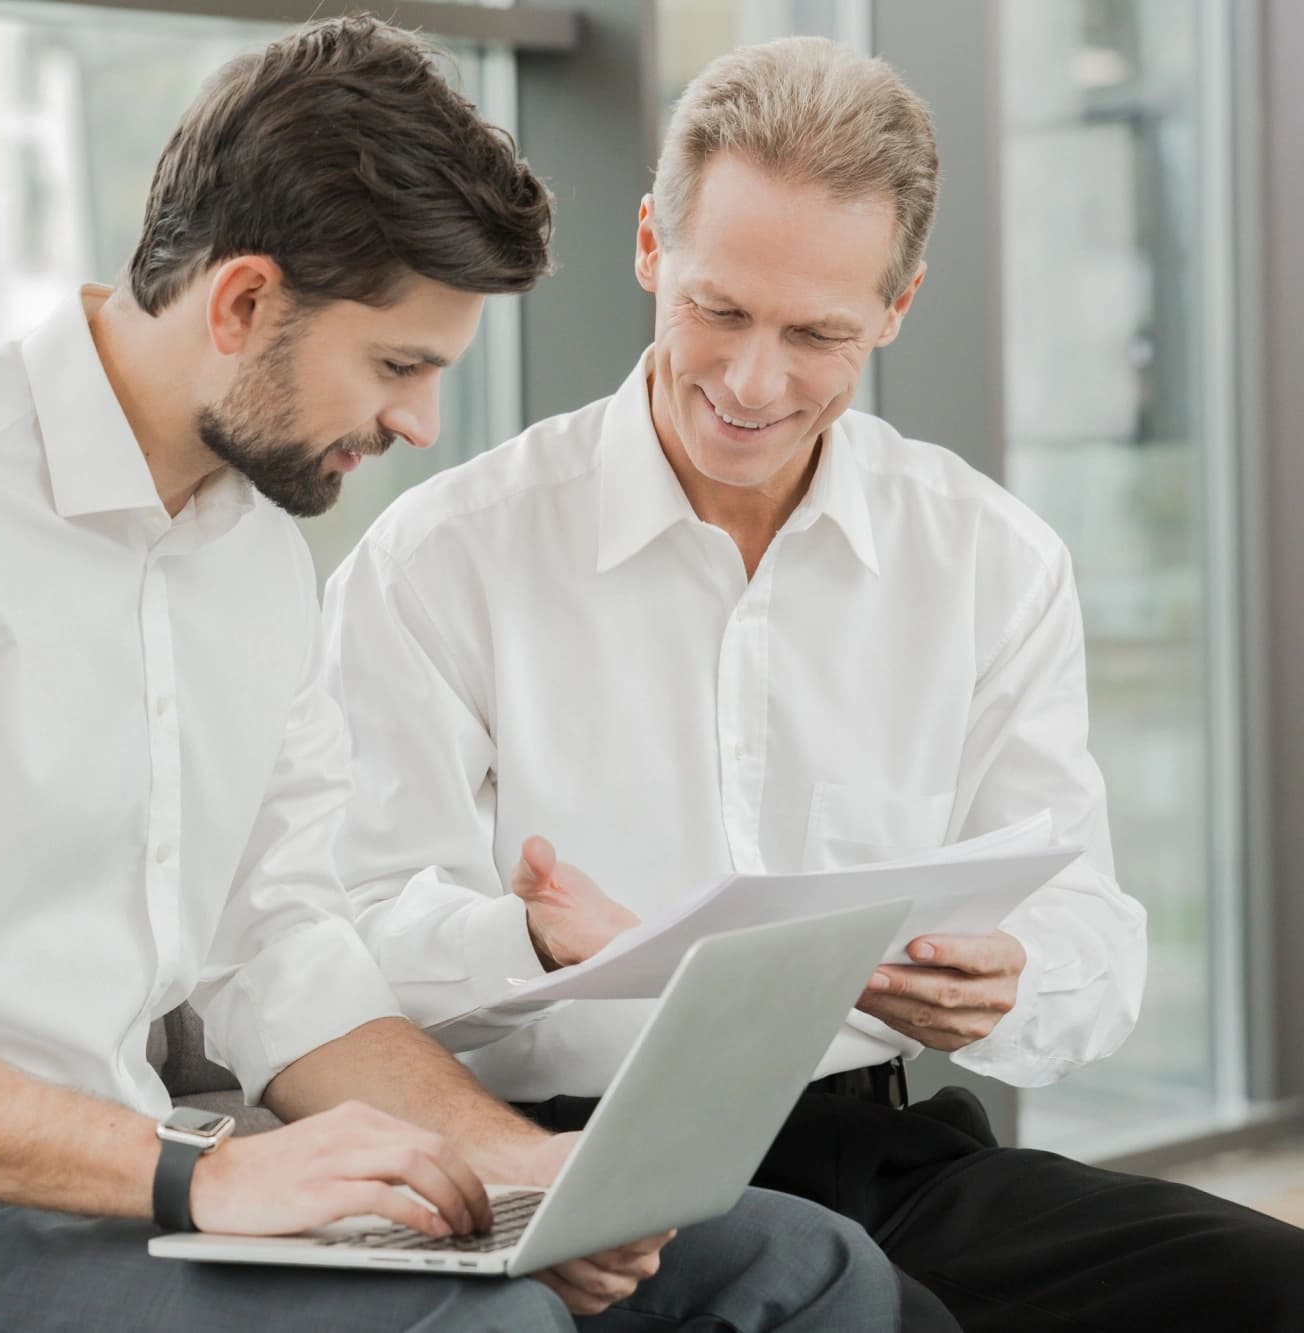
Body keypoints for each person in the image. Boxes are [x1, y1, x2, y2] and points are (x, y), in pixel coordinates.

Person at [0, 18, 898, 1333]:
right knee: (480, 1330)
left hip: (127, 1209)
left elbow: (280, 950)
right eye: (398, 365)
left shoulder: (254, 557)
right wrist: (200, 1174)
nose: (416, 421)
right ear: (243, 302)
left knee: (798, 1269)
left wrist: (512, 1161)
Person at [321, 34, 1304, 1333]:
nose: (751, 381)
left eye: (817, 333)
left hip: (878, 1152)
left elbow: (1094, 942)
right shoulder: (442, 557)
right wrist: (527, 942)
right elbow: (339, 933)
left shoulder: (988, 559)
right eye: (718, 308)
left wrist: (1005, 977)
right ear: (649, 249)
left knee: (1265, 1284)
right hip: (570, 1163)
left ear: (894, 311)